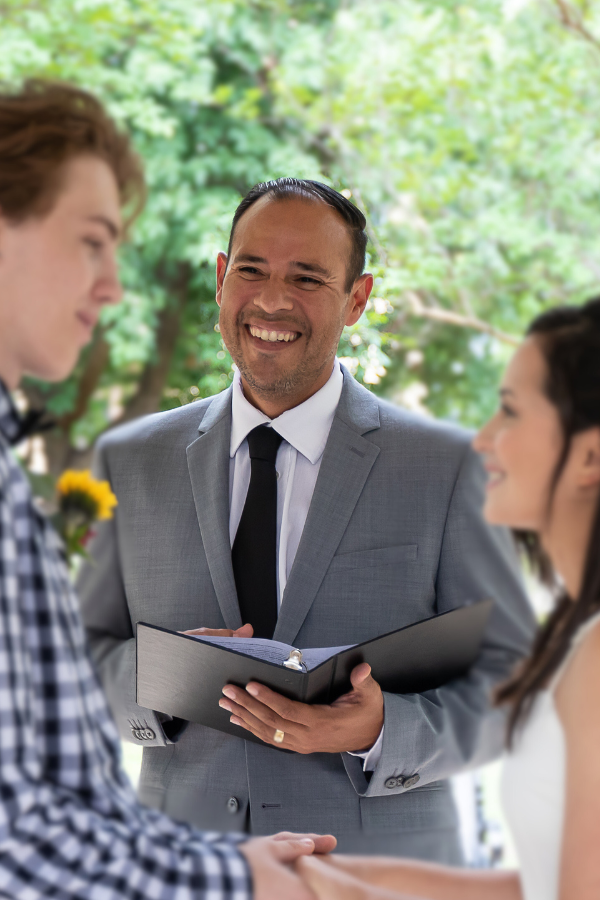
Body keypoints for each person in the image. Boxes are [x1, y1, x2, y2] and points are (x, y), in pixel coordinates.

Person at [78, 177, 535, 859]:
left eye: (306, 278)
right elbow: (73, 664)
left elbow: (515, 682)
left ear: (357, 300)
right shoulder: (128, 460)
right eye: (252, 270)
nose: (270, 300)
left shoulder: (449, 466)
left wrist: (384, 730)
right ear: (221, 279)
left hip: (378, 875)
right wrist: (162, 682)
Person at [0, 79, 336, 900]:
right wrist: (228, 875)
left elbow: (56, 780)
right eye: (91, 241)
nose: (114, 285)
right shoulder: (128, 458)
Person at [295, 298, 600, 900]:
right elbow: (547, 882)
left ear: (590, 454)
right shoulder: (576, 638)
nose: (484, 440)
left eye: (509, 414)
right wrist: (340, 877)